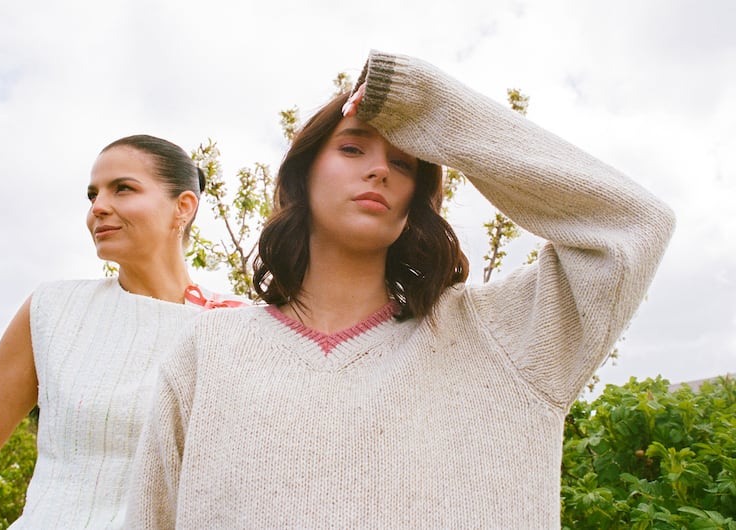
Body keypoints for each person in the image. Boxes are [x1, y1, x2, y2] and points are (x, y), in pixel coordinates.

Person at [126, 51, 675, 528]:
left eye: (403, 162)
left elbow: (632, 225)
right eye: (352, 149)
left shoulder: (504, 337)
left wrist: (430, 109)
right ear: (303, 175)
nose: (379, 171)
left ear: (417, 198)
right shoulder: (210, 349)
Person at [0, 134, 244, 528]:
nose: (98, 207)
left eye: (123, 188)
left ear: (183, 206)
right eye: (92, 195)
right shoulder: (52, 309)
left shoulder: (235, 325)